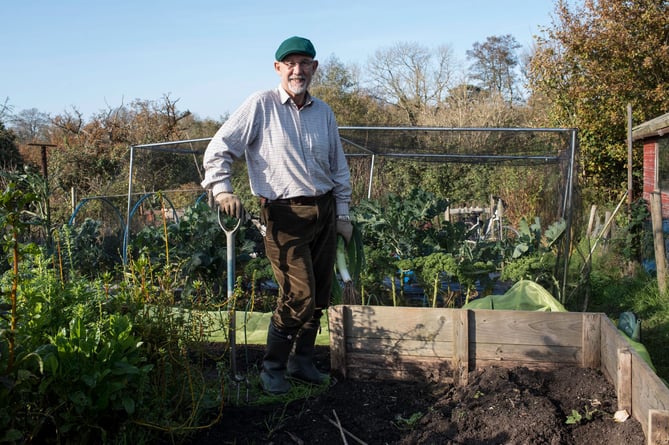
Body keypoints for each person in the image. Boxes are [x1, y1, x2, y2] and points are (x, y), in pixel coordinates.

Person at [201, 36, 353, 394]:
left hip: (325, 211)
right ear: (278, 68)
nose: (297, 70)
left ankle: (301, 363)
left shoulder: (324, 113)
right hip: (284, 216)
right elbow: (219, 147)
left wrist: (343, 213)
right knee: (298, 295)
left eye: (304, 63)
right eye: (290, 63)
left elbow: (339, 168)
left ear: (314, 68)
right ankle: (272, 367)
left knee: (319, 296)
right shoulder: (261, 105)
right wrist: (222, 190)